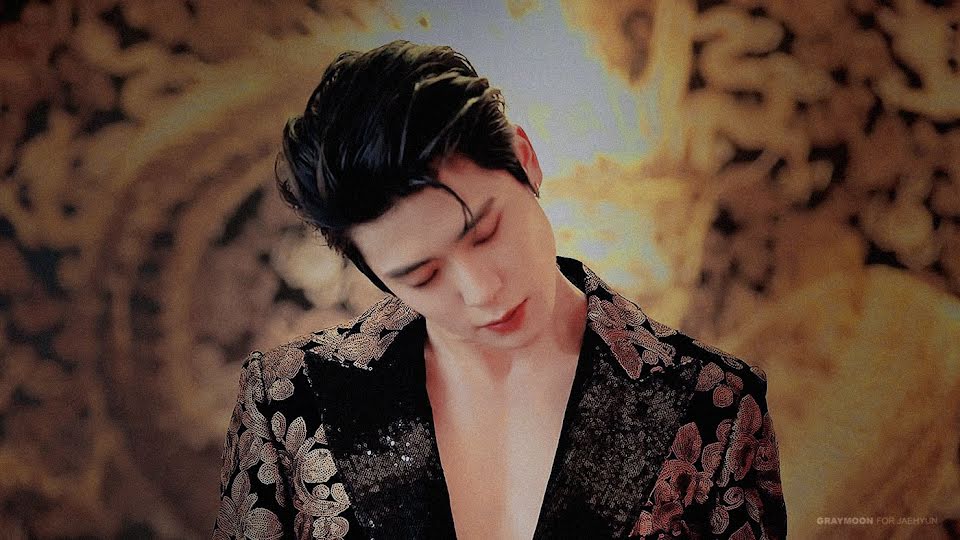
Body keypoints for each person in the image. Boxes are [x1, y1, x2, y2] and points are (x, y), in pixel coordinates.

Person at [213, 40, 788, 540]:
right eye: (423, 276)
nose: (482, 291)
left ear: (525, 160)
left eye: (485, 232)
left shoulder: (716, 406)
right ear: (375, 276)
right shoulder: (286, 401)